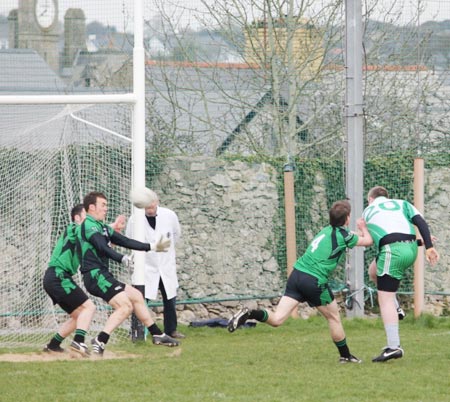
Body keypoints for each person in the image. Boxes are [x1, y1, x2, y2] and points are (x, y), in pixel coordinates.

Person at [228, 199, 373, 364]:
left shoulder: (326, 231)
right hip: (314, 281)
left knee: (277, 319)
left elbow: (350, 236)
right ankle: (345, 356)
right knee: (334, 318)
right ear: (347, 219)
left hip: (296, 275)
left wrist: (359, 232)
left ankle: (250, 313)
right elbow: (368, 241)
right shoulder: (343, 236)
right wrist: (364, 228)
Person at [78, 191, 180, 355]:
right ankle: (100, 340)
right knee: (125, 306)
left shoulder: (102, 227)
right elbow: (101, 247)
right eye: (103, 205)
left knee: (136, 296)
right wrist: (122, 258)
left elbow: (125, 241)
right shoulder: (89, 225)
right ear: (91, 207)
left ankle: (157, 334)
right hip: (95, 276)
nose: (106, 208)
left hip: (104, 275)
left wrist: (152, 246)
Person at [363, 186, 439, 362]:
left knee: (385, 299)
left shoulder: (368, 210)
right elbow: (420, 222)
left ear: (370, 199)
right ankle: (397, 308)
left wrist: (359, 229)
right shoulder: (402, 204)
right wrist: (428, 246)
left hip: (392, 251)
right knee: (373, 271)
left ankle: (393, 347)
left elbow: (369, 240)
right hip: (411, 248)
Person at [126, 187, 184, 339]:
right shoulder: (134, 219)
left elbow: (176, 234)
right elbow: (129, 239)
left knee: (170, 299)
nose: (150, 210)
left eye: (152, 206)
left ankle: (171, 330)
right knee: (141, 299)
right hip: (145, 267)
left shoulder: (169, 215)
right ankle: (138, 331)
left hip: (165, 265)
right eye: (147, 207)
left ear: (157, 202)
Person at [43, 204, 96, 357]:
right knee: (90, 307)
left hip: (55, 278)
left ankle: (53, 345)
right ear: (77, 218)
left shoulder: (82, 237)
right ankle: (79, 342)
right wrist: (109, 228)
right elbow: (88, 233)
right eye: (86, 217)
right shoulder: (73, 228)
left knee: (79, 316)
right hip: (57, 276)